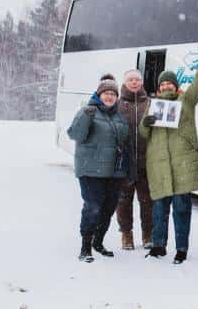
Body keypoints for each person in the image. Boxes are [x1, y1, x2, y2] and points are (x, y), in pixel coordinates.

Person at [139, 39, 198, 264]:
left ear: (175, 85)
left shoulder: (186, 101)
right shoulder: (152, 105)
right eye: (163, 85)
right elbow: (143, 133)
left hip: (182, 168)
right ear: (159, 88)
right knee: (159, 211)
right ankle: (158, 246)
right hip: (160, 167)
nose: (167, 87)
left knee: (182, 211)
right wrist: (147, 123)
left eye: (170, 84)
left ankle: (181, 249)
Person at [67, 75, 129, 263]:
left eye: (113, 94)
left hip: (114, 171)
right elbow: (75, 134)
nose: (109, 97)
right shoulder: (89, 111)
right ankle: (85, 246)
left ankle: (98, 242)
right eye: (106, 93)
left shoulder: (119, 115)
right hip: (90, 170)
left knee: (108, 209)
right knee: (93, 207)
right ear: (99, 94)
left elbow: (123, 141)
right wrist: (85, 115)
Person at [115, 69, 152, 251]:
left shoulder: (150, 103)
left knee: (147, 201)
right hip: (125, 162)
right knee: (123, 201)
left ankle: (148, 235)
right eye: (131, 80)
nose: (135, 83)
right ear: (125, 82)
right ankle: (126, 234)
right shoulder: (117, 104)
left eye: (137, 80)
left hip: (146, 161)